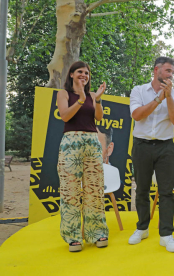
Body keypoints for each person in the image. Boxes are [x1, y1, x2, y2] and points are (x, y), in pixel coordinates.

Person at [128, 56, 174, 253]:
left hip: (165, 147)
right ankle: (142, 228)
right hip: (141, 145)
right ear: (156, 70)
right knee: (142, 189)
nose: (171, 75)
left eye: (172, 72)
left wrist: (167, 97)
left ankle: (166, 234)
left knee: (167, 191)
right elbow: (137, 115)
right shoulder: (138, 90)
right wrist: (158, 98)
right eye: (168, 71)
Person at [56, 61, 109, 252]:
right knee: (70, 191)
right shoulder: (63, 94)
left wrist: (98, 99)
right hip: (71, 142)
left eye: (86, 73)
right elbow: (65, 116)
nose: (84, 75)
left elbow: (99, 118)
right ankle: (73, 237)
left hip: (92, 142)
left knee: (94, 189)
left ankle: (97, 233)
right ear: (71, 74)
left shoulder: (92, 95)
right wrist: (80, 97)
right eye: (80, 71)